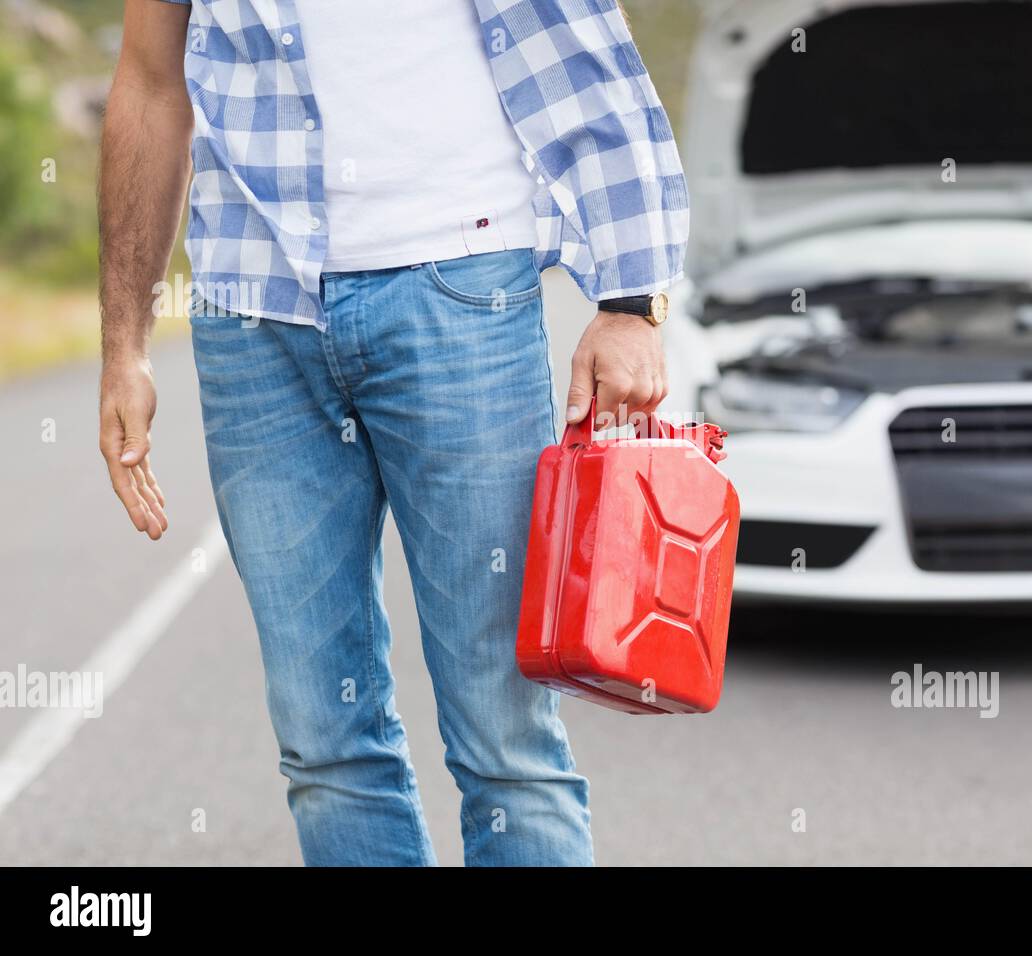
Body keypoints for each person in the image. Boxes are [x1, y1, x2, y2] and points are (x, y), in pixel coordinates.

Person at [96, 0, 687, 866]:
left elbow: (578, 39)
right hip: (254, 308)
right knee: (322, 743)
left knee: (505, 739)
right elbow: (150, 82)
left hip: (461, 290)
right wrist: (124, 346)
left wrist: (632, 299)